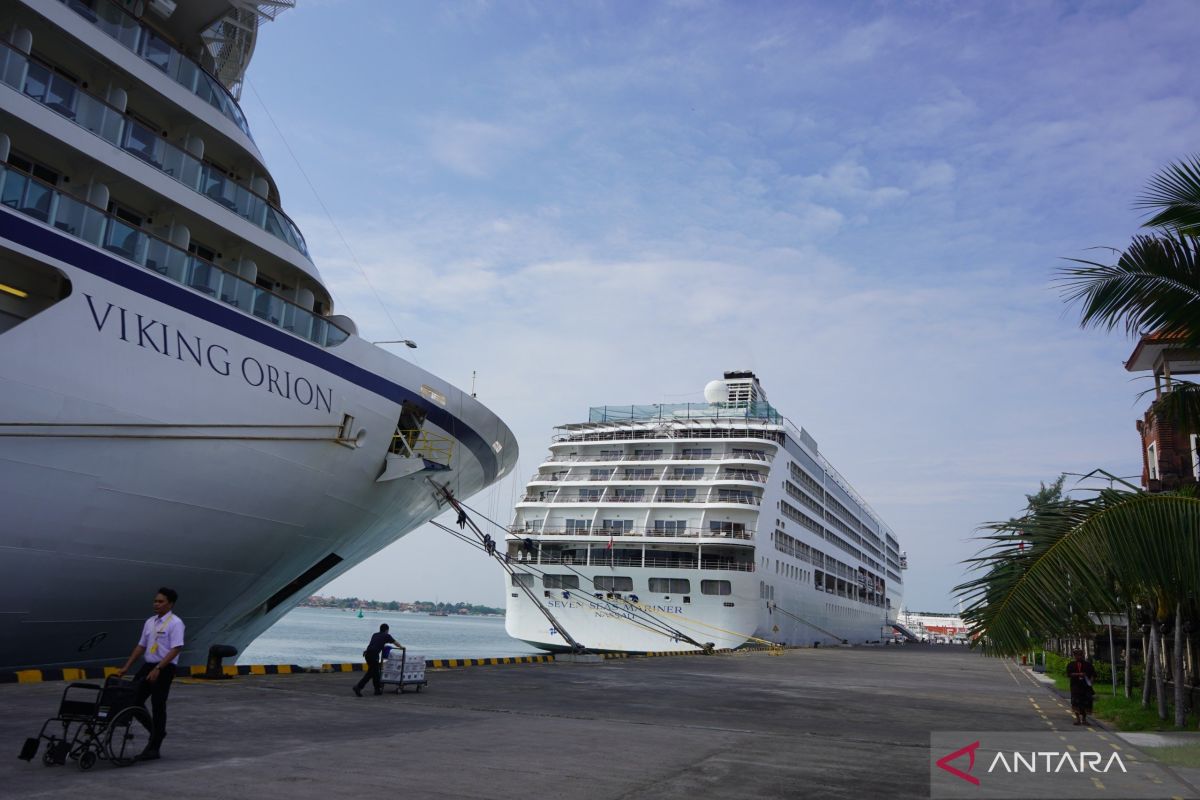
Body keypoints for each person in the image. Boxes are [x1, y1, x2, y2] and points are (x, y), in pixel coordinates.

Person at [115, 587, 185, 761]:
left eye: (161, 601)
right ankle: (157, 732)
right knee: (133, 699)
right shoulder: (150, 622)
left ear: (170, 604)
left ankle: (154, 747)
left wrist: (159, 668)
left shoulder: (176, 623)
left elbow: (176, 648)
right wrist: (126, 667)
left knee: (158, 704)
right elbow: (141, 646)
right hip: (148, 665)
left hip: (165, 667)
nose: (156, 604)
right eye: (155, 601)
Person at [354, 623, 401, 697]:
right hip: (373, 655)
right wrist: (402, 647)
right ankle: (358, 687)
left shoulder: (375, 634)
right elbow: (396, 643)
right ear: (386, 630)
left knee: (375, 672)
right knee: (371, 673)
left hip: (367, 654)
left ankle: (377, 690)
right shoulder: (386, 635)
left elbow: (375, 643)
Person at [1066, 648, 1096, 725]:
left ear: (1082, 655)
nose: (1078, 657)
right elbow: (1069, 674)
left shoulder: (1088, 665)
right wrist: (1078, 674)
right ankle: (1078, 719)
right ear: (1074, 656)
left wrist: (1091, 681)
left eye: (1080, 655)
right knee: (1076, 703)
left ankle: (1084, 719)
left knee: (1086, 703)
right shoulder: (1071, 665)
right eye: (1076, 655)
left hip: (1086, 687)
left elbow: (1093, 674)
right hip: (1075, 687)